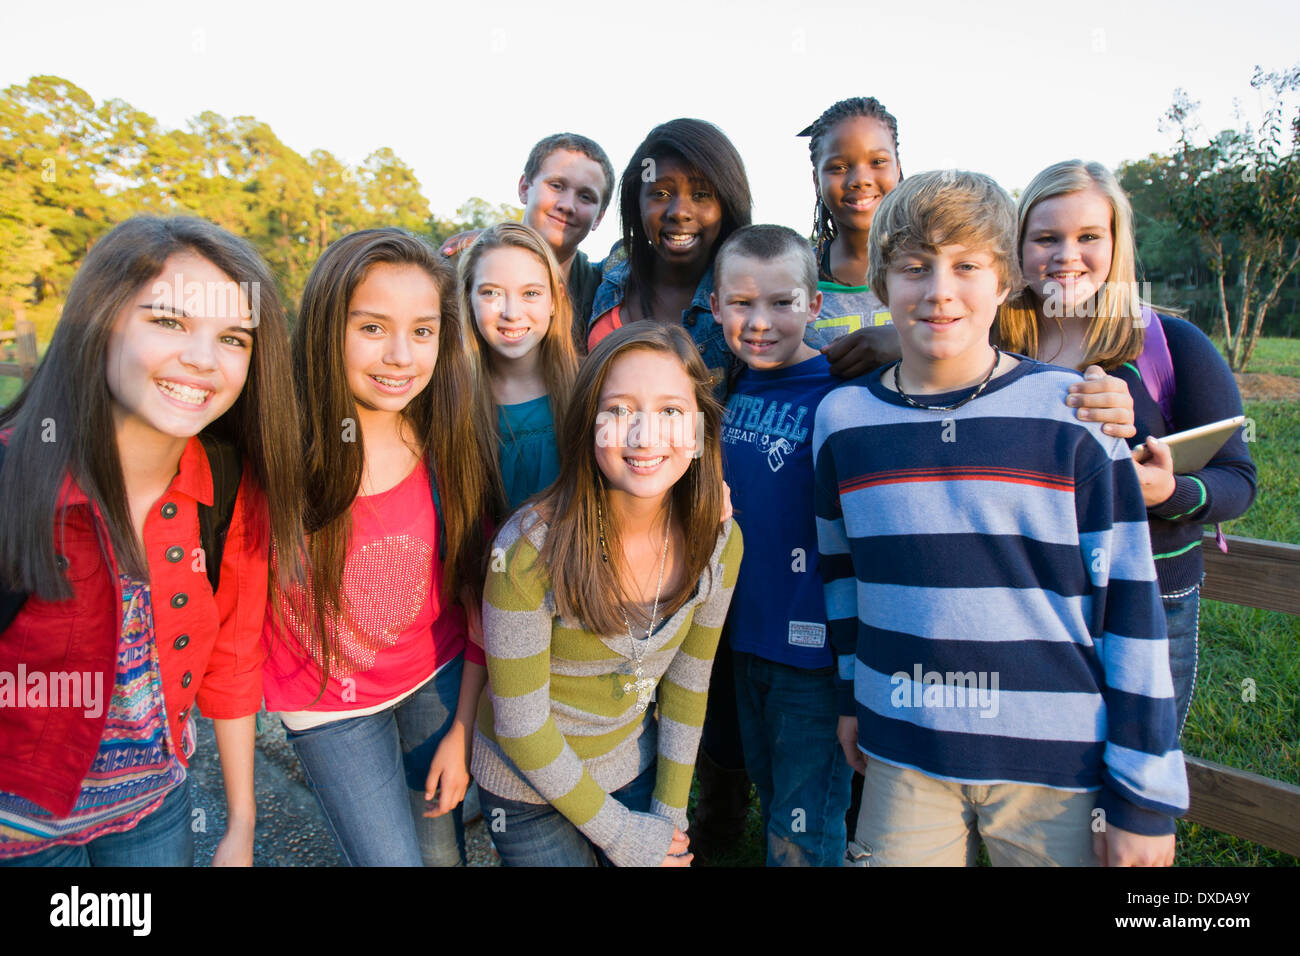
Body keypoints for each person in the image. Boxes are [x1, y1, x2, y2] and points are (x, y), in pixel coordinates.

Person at [815, 170, 1188, 866]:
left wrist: (1143, 795)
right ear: (879, 282)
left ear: (1007, 279)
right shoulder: (841, 421)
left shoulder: (1075, 415)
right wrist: (849, 695)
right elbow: (842, 576)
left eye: (966, 266)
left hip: (1057, 764)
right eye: (914, 268)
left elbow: (1132, 612)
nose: (939, 291)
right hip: (903, 746)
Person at [0, 216, 301, 866]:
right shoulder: (11, 481)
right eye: (167, 322)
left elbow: (233, 658)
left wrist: (241, 825)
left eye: (232, 338)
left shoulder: (229, 484)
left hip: (154, 809)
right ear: (100, 322)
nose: (202, 359)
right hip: (19, 833)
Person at [261, 228, 496, 866]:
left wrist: (463, 727)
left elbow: (478, 593)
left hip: (435, 678)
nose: (400, 355)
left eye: (422, 331)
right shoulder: (274, 448)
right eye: (371, 327)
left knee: (443, 856)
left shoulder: (448, 441)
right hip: (326, 705)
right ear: (326, 326)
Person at [998, 160, 1257, 733]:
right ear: (1017, 248)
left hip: (1149, 601)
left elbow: (1238, 478)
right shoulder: (994, 344)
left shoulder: (1172, 344)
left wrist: (1168, 490)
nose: (1068, 254)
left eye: (1089, 236)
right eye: (1046, 237)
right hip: (1025, 597)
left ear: (1117, 244)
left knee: (1136, 767)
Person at [472, 323, 742, 866]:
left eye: (670, 411)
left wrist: (669, 818)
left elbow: (689, 686)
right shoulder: (527, 551)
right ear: (587, 425)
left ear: (698, 432)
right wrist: (622, 836)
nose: (645, 435)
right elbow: (522, 727)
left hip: (627, 763)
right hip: (525, 783)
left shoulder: (721, 540)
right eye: (619, 410)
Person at [711, 224, 852, 866]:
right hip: (743, 642)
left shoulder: (842, 400)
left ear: (814, 304)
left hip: (813, 658)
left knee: (803, 830)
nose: (760, 322)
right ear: (714, 307)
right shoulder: (729, 392)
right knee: (775, 800)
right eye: (741, 303)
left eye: (781, 302)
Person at [441, 133, 616, 350]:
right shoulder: (460, 266)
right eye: (557, 185)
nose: (567, 205)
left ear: (599, 217)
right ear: (524, 188)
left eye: (586, 197)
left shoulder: (606, 293)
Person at [459, 222, 579, 515]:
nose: (512, 313)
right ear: (468, 299)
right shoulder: (451, 400)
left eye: (531, 294)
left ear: (556, 299)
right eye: (490, 293)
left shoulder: (587, 390)